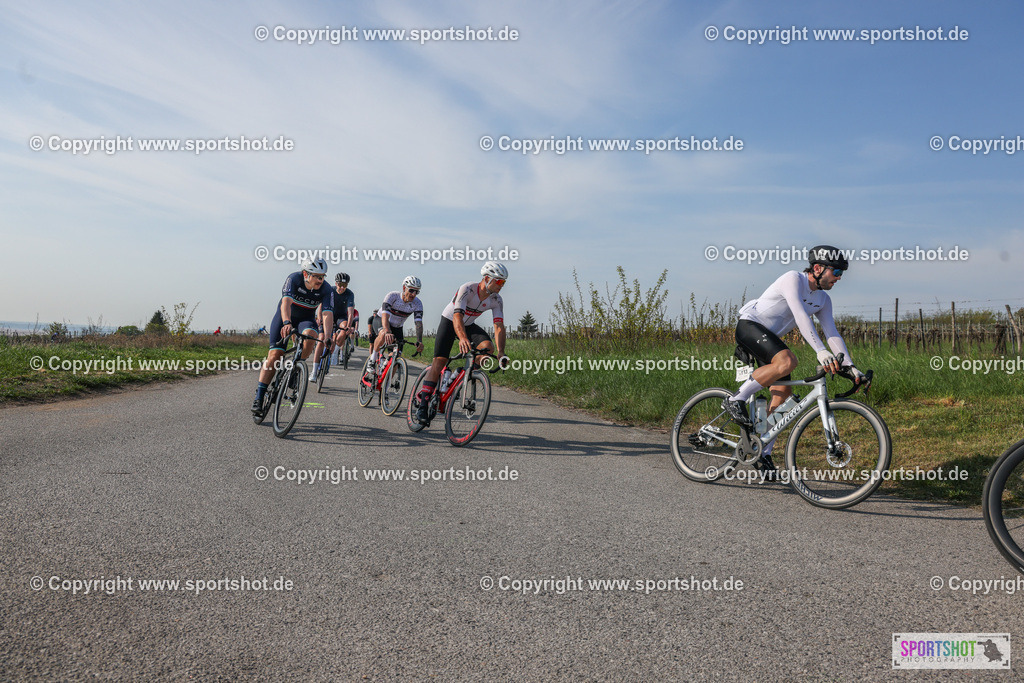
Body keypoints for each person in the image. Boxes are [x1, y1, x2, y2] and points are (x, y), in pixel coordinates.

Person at [724, 245, 867, 475]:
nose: (839, 278)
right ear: (818, 268)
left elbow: (832, 333)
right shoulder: (793, 279)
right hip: (750, 325)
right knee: (788, 360)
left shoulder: (823, 300)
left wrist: (850, 367)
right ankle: (736, 399)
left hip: (770, 339)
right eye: (836, 273)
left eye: (842, 274)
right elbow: (801, 316)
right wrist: (820, 351)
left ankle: (764, 454)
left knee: (783, 398)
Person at [414, 262, 508, 425]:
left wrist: (501, 351)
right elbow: (457, 317)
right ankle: (422, 406)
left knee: (487, 348)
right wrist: (463, 338)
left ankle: (461, 374)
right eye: (499, 281)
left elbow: (498, 326)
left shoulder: (496, 300)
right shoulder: (468, 289)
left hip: (469, 324)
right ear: (487, 278)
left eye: (503, 282)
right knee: (440, 361)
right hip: (450, 321)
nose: (501, 285)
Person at [251, 258, 335, 414]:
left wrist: (328, 337)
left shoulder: (327, 289)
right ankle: (259, 396)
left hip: (306, 319)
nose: (320, 280)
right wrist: (287, 322)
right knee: (275, 355)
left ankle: (296, 367)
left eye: (322, 276)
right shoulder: (294, 279)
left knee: (311, 335)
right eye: (316, 276)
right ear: (305, 274)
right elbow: (286, 303)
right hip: (285, 316)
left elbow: (327, 314)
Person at [366, 278, 424, 379]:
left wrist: (419, 341)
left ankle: (385, 388)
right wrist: (387, 331)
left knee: (396, 359)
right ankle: (372, 359)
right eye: (411, 290)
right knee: (384, 334)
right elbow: (385, 317)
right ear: (404, 288)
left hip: (397, 327)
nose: (413, 294)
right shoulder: (392, 296)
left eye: (417, 291)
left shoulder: (417, 303)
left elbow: (418, 323)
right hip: (382, 320)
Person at [310, 272, 355, 382]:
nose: (342, 287)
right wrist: (319, 318)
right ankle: (314, 371)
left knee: (345, 329)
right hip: (327, 315)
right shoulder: (329, 290)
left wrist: (348, 326)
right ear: (336, 283)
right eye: (340, 284)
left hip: (340, 317)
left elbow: (350, 313)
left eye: (345, 285)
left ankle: (335, 350)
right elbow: (321, 307)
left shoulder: (350, 294)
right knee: (321, 340)